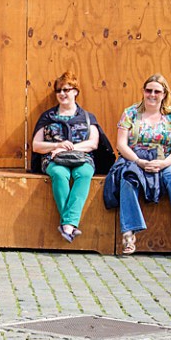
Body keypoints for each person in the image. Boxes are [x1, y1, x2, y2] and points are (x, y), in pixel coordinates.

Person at [110, 74, 171, 256]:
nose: (152, 95)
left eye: (157, 91)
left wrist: (163, 163)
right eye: (148, 90)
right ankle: (129, 233)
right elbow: (121, 144)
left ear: (164, 94)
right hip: (135, 157)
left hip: (165, 159)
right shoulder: (130, 113)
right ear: (143, 92)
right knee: (128, 178)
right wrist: (139, 161)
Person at [32, 72, 101, 242]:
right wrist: (56, 146)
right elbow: (36, 145)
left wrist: (69, 148)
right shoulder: (47, 117)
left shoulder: (87, 117)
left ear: (76, 91)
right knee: (59, 174)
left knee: (84, 174)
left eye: (67, 89)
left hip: (81, 157)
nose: (62, 94)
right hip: (53, 158)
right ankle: (70, 224)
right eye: (59, 90)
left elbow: (93, 143)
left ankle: (67, 224)